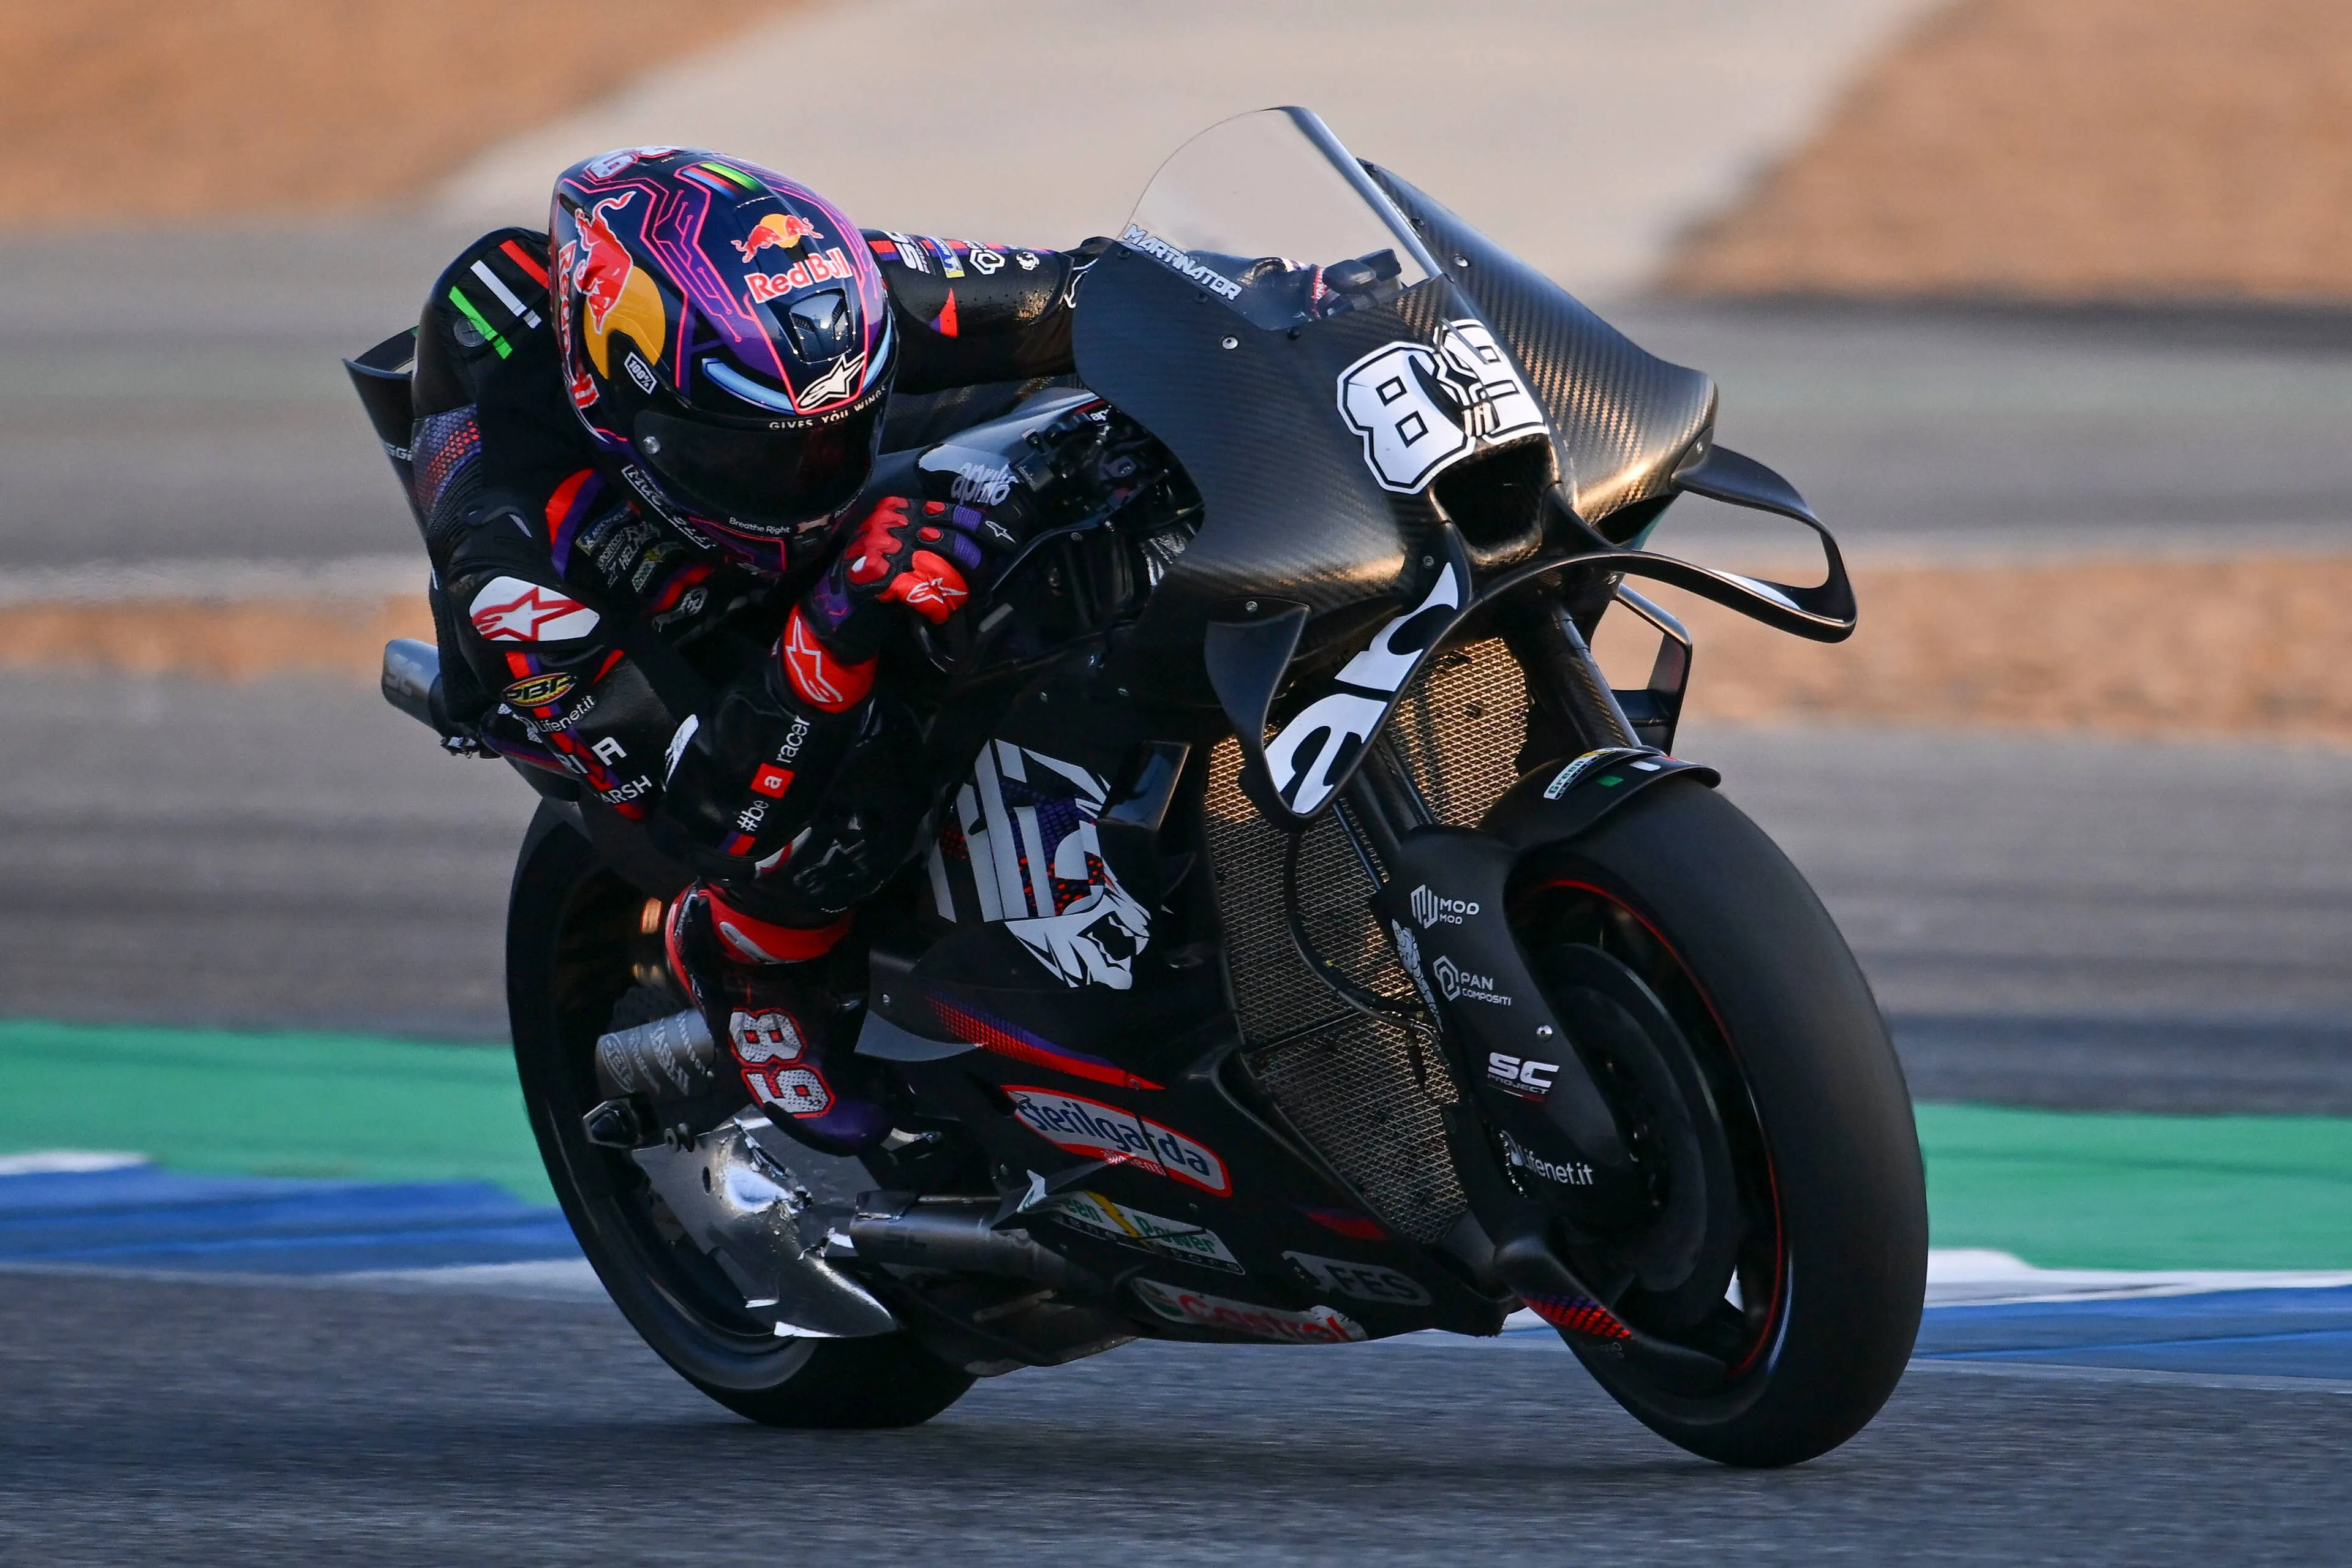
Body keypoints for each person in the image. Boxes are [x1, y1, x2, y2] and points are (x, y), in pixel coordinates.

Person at [405, 146, 1102, 1155]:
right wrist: (833, 621)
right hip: (646, 682)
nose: (807, 479)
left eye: (834, 437)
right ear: (625, 409)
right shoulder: (513, 560)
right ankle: (748, 961)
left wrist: (1303, 302)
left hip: (741, 436)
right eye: (748, 454)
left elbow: (1101, 287)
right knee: (830, 793)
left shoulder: (824, 307)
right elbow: (706, 816)